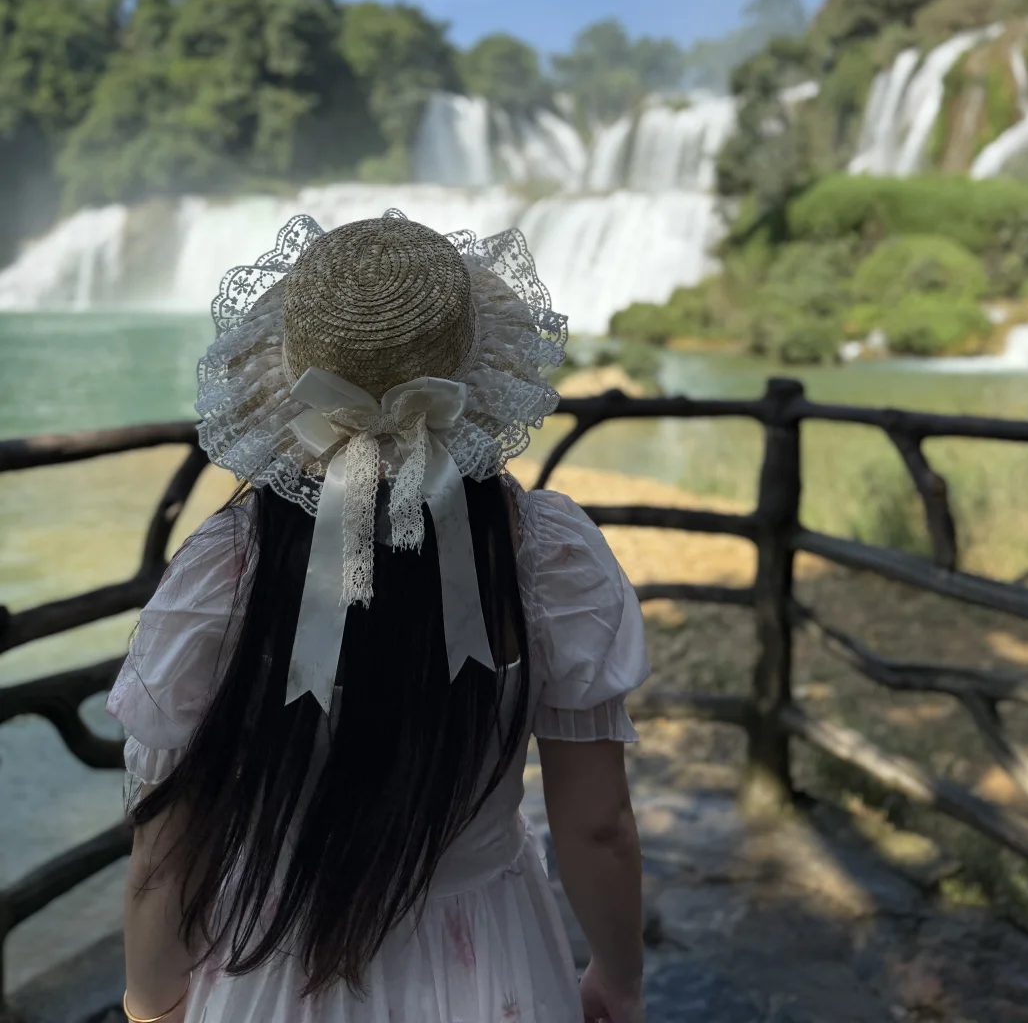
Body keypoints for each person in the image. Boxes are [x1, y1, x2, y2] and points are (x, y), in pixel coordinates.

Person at [107, 210, 652, 1023]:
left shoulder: (229, 570)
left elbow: (164, 850)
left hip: (270, 969)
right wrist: (619, 975)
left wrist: (151, 1003)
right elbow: (599, 823)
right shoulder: (545, 557)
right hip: (491, 963)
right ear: (480, 374)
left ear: (285, 376)